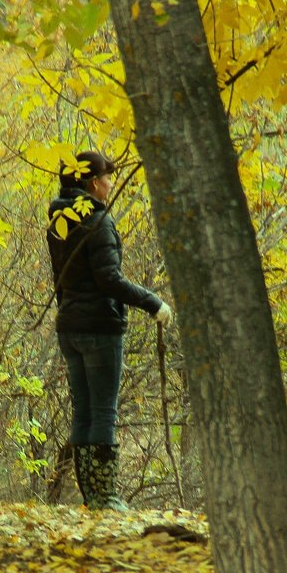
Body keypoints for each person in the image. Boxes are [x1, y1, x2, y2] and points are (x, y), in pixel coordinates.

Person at [46, 150, 172, 510]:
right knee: (103, 412)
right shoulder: (98, 222)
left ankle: (94, 495)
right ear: (91, 184)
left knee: (83, 412)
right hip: (100, 327)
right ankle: (106, 497)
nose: (110, 184)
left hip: (69, 327)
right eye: (106, 179)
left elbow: (59, 279)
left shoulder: (59, 222)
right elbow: (110, 279)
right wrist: (153, 303)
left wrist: (70, 314)